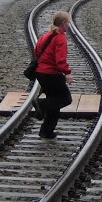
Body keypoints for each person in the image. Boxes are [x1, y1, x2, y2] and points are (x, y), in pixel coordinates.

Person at [33, 10, 73, 138]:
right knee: (65, 99)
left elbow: (36, 52)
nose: (69, 26)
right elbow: (60, 60)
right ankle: (41, 104)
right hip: (51, 74)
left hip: (41, 73)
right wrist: (67, 73)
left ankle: (46, 131)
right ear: (64, 23)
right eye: (68, 23)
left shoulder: (46, 35)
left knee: (54, 102)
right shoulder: (60, 38)